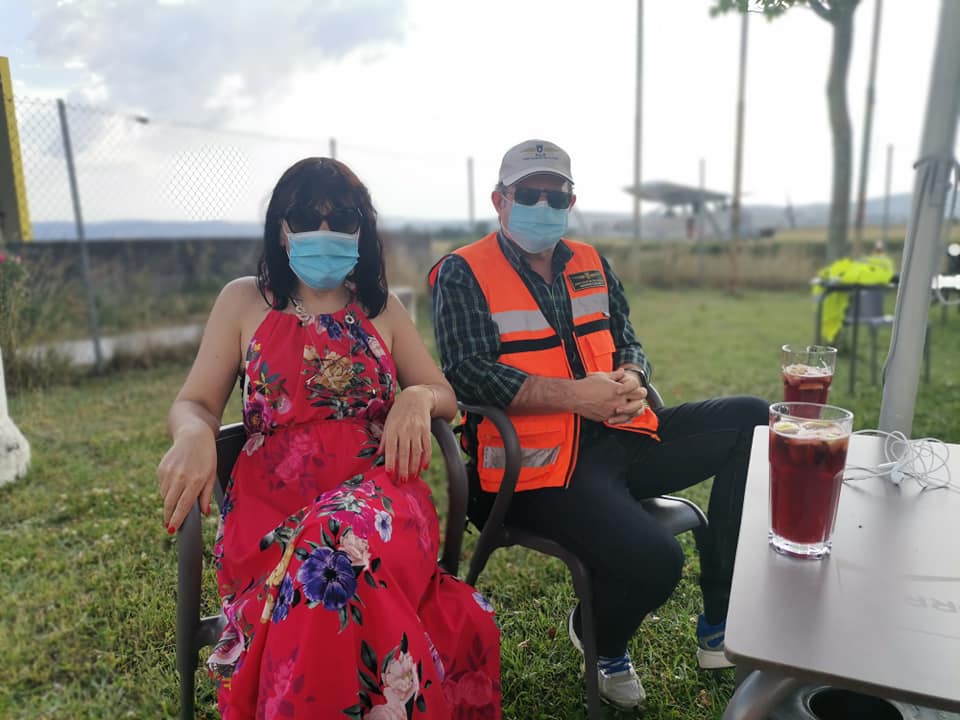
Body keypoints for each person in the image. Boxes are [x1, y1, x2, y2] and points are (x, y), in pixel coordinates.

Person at [430, 139, 768, 711]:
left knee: (752, 420)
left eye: (556, 195)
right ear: (499, 200)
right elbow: (467, 374)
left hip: (621, 438)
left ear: (570, 201)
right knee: (657, 560)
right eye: (528, 194)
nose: (543, 205)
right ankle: (600, 637)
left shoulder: (590, 261)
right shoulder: (463, 271)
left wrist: (633, 375)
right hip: (533, 470)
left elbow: (626, 339)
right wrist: (576, 397)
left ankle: (720, 621)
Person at [158, 157, 501, 719]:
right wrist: (194, 432)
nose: (324, 231)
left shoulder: (382, 309)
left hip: (383, 494)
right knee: (327, 554)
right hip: (271, 509)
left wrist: (416, 398)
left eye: (341, 218)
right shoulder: (243, 302)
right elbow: (194, 402)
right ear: (281, 228)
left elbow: (442, 390)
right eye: (304, 217)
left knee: (333, 543)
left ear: (361, 230)